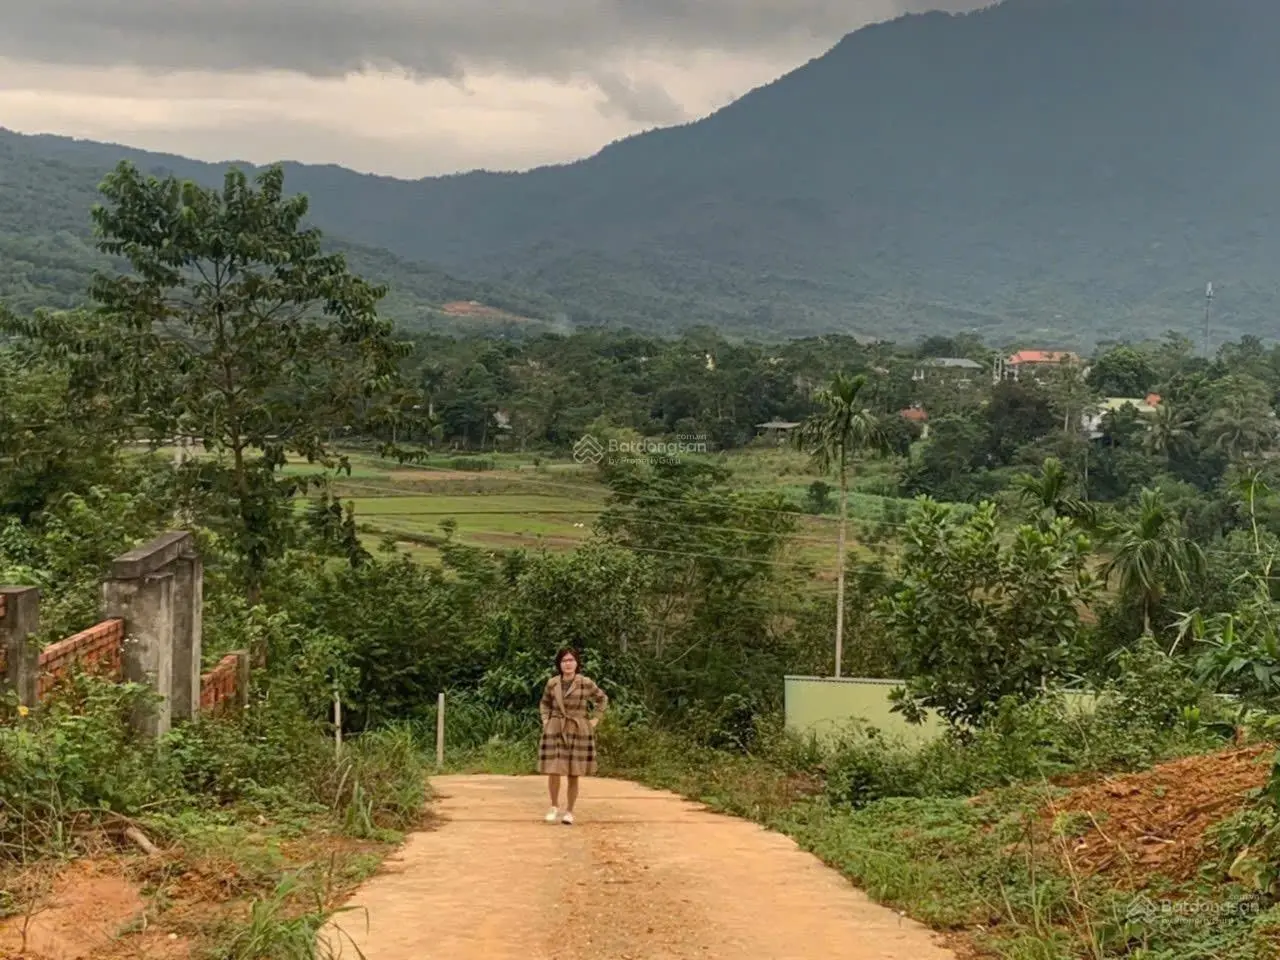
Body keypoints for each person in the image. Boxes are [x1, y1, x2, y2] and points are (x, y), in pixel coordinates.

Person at [538, 647, 608, 825]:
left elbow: (602, 699)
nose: (568, 664)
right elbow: (544, 703)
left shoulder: (585, 682)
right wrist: (546, 721)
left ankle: (569, 811)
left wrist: (595, 720)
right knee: (554, 769)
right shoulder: (553, 683)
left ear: (577, 663)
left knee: (573, 772)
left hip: (578, 728)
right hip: (556, 728)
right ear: (559, 664)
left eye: (571, 660)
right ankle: (554, 806)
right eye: (564, 661)